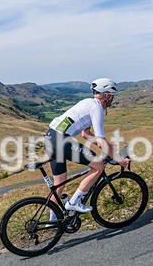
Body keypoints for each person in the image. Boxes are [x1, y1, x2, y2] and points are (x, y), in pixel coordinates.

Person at [45, 78, 130, 214]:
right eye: (112, 96)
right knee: (98, 166)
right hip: (61, 140)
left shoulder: (87, 103)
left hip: (50, 137)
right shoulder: (97, 108)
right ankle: (74, 202)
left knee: (59, 182)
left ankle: (53, 222)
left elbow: (86, 134)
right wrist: (120, 159)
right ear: (107, 95)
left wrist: (107, 148)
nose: (113, 100)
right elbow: (100, 140)